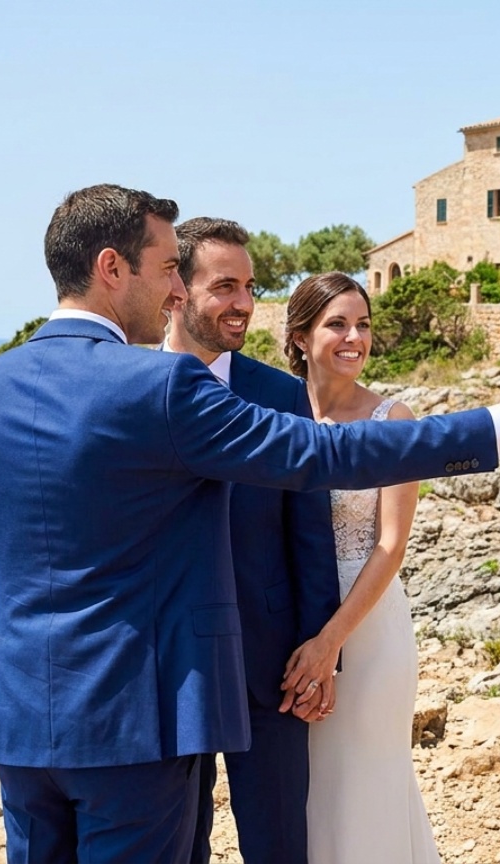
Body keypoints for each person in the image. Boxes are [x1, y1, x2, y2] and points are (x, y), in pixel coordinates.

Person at [0, 183, 500, 864]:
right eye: (166, 269)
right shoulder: (158, 386)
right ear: (112, 268)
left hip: (20, 726)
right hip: (136, 727)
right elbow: (321, 453)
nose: (174, 290)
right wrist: (494, 426)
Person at [160, 217, 338, 864]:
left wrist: (322, 651)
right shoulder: (128, 386)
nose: (244, 303)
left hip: (270, 664)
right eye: (225, 286)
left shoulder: (282, 394)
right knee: (176, 848)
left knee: (281, 844)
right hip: (163, 670)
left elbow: (311, 533)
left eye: (249, 287)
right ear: (176, 289)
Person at [271, 273, 438, 864]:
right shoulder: (273, 417)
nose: (354, 338)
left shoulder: (392, 420)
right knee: (312, 796)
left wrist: (329, 643)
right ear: (300, 337)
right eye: (337, 324)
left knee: (367, 783)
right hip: (289, 627)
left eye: (363, 325)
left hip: (367, 629)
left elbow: (390, 546)